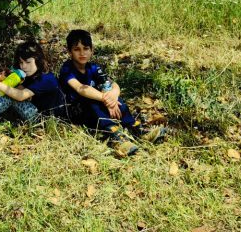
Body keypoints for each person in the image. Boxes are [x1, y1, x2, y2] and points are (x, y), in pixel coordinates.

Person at [58, 29, 165, 157]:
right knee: (91, 101)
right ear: (70, 52)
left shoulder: (93, 68)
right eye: (77, 49)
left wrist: (113, 96)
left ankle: (138, 129)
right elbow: (81, 88)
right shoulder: (67, 69)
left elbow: (112, 84)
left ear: (91, 50)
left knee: (117, 100)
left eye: (86, 48)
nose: (82, 53)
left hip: (97, 103)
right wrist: (105, 98)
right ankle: (114, 137)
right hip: (76, 110)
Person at [0, 40, 66, 127]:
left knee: (10, 96)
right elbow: (17, 89)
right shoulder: (31, 74)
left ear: (38, 60)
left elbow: (20, 96)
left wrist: (2, 86)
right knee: (8, 94)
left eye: (28, 62)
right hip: (37, 112)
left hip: (45, 120)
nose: (24, 67)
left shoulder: (46, 79)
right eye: (21, 63)